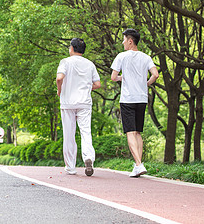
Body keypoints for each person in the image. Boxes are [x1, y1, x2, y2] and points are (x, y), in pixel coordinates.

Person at [111, 29, 159, 177]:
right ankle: (137, 165)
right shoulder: (146, 57)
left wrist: (122, 78)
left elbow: (113, 77)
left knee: (130, 132)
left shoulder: (121, 56)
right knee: (138, 132)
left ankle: (138, 164)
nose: (122, 42)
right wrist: (146, 84)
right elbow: (155, 74)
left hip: (128, 99)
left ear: (130, 41)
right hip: (142, 98)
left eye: (124, 40)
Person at [56, 38, 101, 176]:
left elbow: (59, 78)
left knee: (69, 134)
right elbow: (98, 84)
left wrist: (59, 90)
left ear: (71, 48)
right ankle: (88, 157)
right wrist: (87, 88)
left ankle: (70, 166)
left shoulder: (65, 62)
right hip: (84, 103)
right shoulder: (90, 64)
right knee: (85, 131)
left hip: (68, 102)